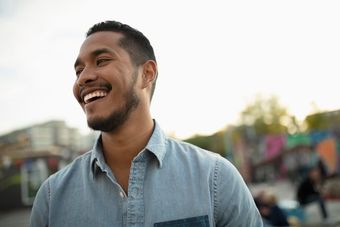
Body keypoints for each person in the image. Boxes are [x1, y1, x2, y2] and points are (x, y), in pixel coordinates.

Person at [30, 20, 263, 227]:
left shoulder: (215, 178)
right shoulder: (52, 198)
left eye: (101, 61)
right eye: (78, 70)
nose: (83, 78)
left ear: (147, 73)